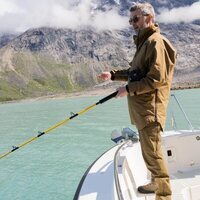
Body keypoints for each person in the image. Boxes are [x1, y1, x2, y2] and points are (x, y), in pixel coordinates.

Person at [98, 2, 176, 200]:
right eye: (130, 20)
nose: (132, 23)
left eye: (136, 19)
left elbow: (156, 79)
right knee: (149, 153)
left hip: (151, 110)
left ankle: (164, 196)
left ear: (149, 18)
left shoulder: (155, 42)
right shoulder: (144, 43)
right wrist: (113, 75)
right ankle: (154, 184)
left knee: (154, 155)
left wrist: (127, 90)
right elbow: (136, 73)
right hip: (143, 111)